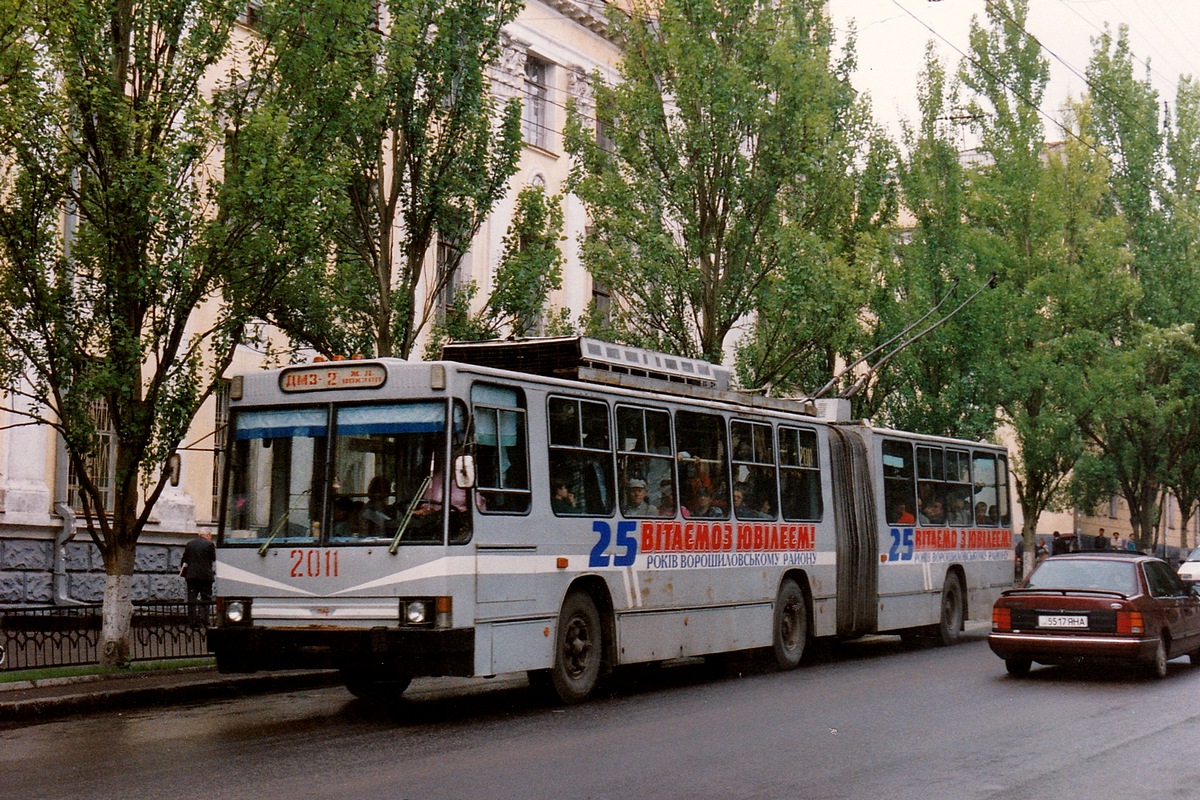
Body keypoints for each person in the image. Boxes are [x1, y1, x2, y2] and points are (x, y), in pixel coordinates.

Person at [180, 531, 216, 628]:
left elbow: (184, 560)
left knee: (192, 599)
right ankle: (204, 619)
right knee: (206, 598)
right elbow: (213, 558)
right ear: (208, 535)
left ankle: (192, 622)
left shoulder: (190, 544)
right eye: (210, 536)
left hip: (191, 577)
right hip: (205, 577)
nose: (210, 538)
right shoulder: (210, 545)